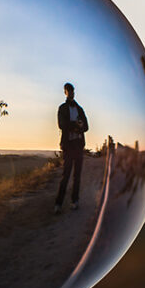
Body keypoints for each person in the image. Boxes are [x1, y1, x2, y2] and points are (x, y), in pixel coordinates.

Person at [55, 82, 88, 214]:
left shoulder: (79, 109)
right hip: (68, 146)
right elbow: (61, 125)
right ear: (65, 92)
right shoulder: (62, 108)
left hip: (78, 145)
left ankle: (75, 201)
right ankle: (58, 203)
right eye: (68, 91)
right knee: (66, 175)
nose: (71, 93)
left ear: (74, 92)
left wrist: (79, 126)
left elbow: (86, 127)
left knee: (77, 175)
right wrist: (76, 124)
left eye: (72, 90)